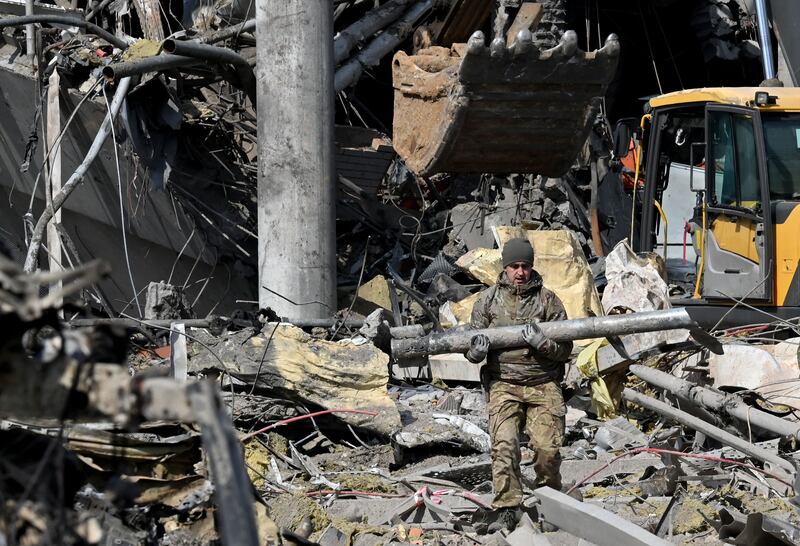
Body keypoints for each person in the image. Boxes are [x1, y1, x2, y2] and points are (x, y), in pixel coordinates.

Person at [465, 237, 573, 532]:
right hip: (504, 383)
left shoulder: (549, 301)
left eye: (525, 266)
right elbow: (469, 345)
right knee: (504, 445)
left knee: (547, 449)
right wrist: (475, 352)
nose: (520, 272)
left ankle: (550, 502)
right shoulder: (487, 301)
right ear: (506, 268)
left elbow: (566, 349)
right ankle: (507, 508)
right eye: (515, 266)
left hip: (543, 382)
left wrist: (544, 344)